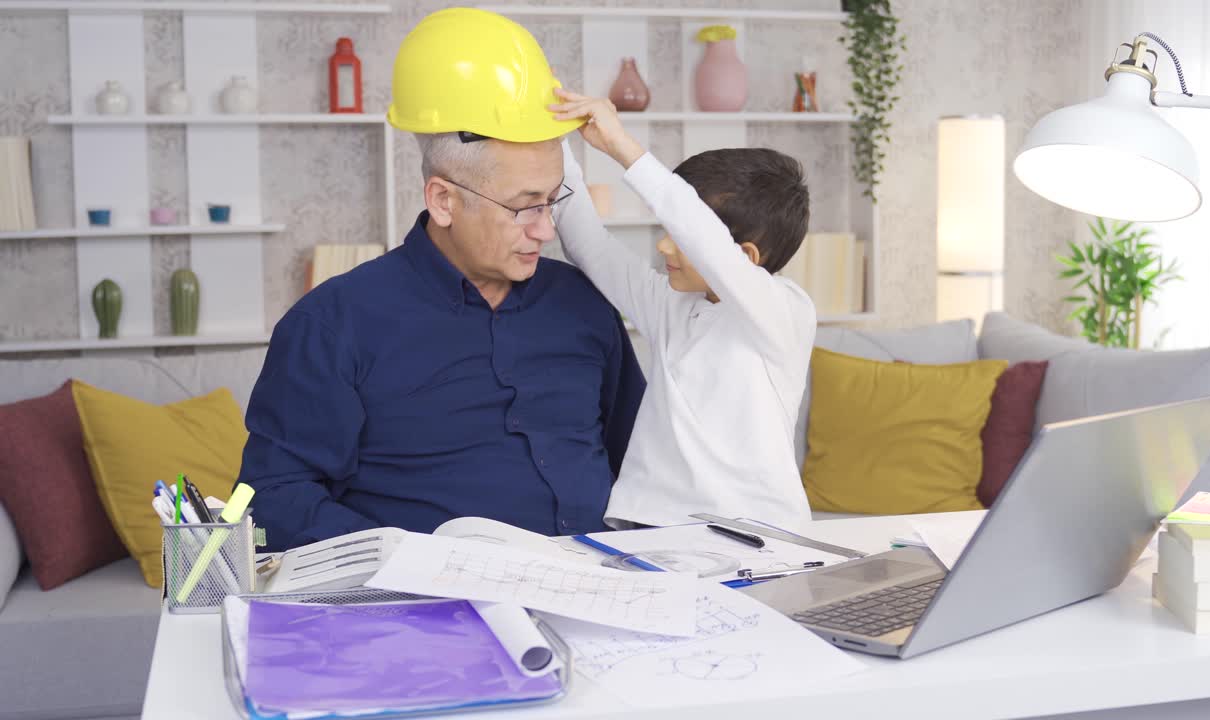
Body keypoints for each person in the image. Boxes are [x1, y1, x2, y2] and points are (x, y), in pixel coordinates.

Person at [237, 9, 645, 551]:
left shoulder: (583, 304)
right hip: (426, 593)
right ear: (443, 200)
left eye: (553, 201)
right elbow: (276, 496)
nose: (546, 229)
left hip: (606, 582)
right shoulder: (333, 324)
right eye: (524, 207)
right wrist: (413, 560)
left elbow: (643, 459)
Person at [547, 89, 817, 528]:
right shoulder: (671, 304)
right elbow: (590, 245)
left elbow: (704, 236)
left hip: (761, 535)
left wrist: (619, 144)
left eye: (679, 236)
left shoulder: (786, 313)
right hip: (652, 528)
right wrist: (552, 136)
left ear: (747, 256)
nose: (663, 245)